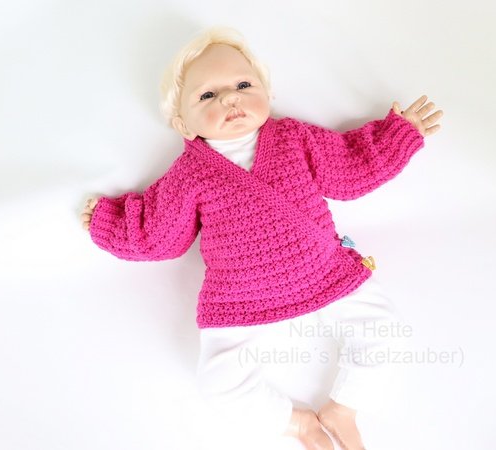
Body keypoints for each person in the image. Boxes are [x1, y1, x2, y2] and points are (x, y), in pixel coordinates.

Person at [80, 26, 443, 450]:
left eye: (243, 85)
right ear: (182, 124)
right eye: (207, 95)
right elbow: (161, 235)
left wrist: (397, 135)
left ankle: (344, 408)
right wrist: (109, 221)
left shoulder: (293, 138)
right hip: (239, 296)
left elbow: (349, 170)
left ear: (267, 93)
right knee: (219, 384)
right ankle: (297, 424)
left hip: (325, 270)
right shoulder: (189, 175)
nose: (230, 100)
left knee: (387, 332)